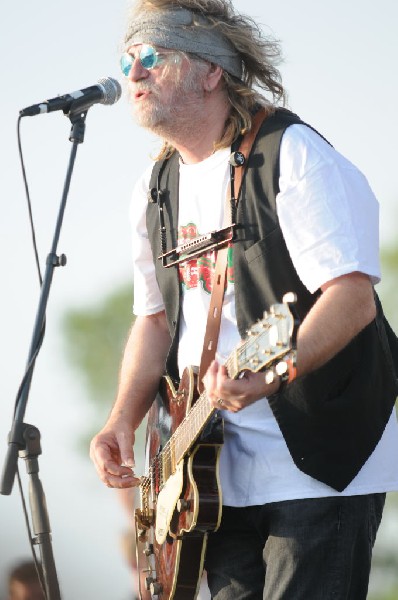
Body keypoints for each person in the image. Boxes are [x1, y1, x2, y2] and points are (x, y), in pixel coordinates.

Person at [90, 0, 398, 598]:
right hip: (209, 478)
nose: (132, 75)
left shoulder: (293, 153)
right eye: (127, 60)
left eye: (151, 57)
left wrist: (273, 375)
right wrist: (121, 420)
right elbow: (153, 320)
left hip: (318, 459)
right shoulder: (155, 190)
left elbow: (353, 298)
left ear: (210, 72)